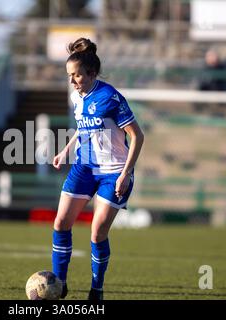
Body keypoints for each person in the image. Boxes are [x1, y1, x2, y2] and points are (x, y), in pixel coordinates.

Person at [51, 38, 144, 300]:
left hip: (114, 171)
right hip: (84, 166)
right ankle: (60, 283)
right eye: (69, 75)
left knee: (97, 231)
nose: (72, 81)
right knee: (60, 223)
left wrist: (126, 173)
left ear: (91, 73)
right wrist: (66, 150)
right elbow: (84, 127)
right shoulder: (76, 96)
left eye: (77, 75)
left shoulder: (111, 97)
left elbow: (137, 136)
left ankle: (97, 289)